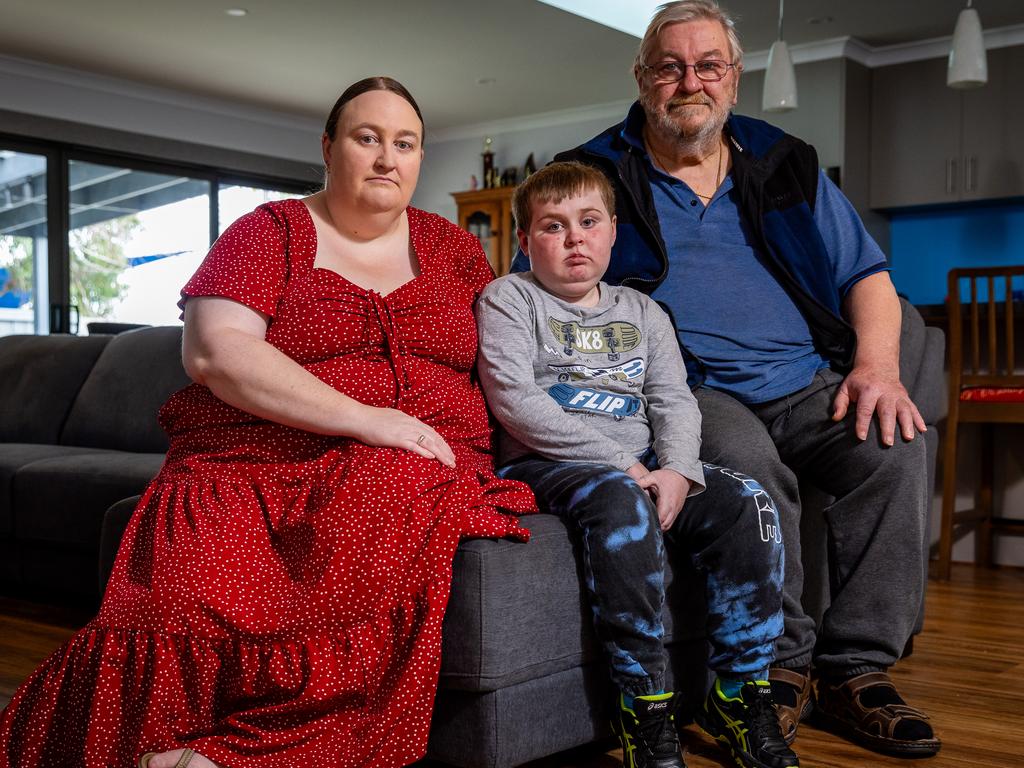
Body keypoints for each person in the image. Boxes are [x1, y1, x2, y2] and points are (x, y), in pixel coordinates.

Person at [0, 77, 535, 768]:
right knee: (178, 595)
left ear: (420, 159)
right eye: (365, 137)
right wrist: (367, 418)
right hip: (250, 458)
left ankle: (238, 756)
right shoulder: (269, 232)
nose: (385, 158)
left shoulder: (455, 251)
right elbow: (214, 351)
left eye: (404, 144)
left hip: (408, 463)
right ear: (328, 147)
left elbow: (516, 351)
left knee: (392, 486)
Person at [514, 0, 941, 759]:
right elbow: (538, 281)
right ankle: (776, 671)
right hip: (687, 387)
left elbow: (867, 275)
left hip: (805, 378)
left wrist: (877, 369)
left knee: (897, 450)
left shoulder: (785, 161)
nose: (690, 81)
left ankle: (857, 670)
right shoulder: (595, 171)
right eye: (670, 66)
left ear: (734, 79)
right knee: (747, 465)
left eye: (708, 65)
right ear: (642, 78)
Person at [478, 161, 798, 768]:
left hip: (650, 461)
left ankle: (739, 693)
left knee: (748, 500)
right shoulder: (509, 298)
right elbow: (516, 402)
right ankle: (645, 704)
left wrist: (678, 468)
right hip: (551, 462)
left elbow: (673, 398)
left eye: (588, 221)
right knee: (622, 503)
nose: (574, 237)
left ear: (613, 232)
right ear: (524, 241)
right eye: (553, 225)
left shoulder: (642, 311)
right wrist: (626, 464)